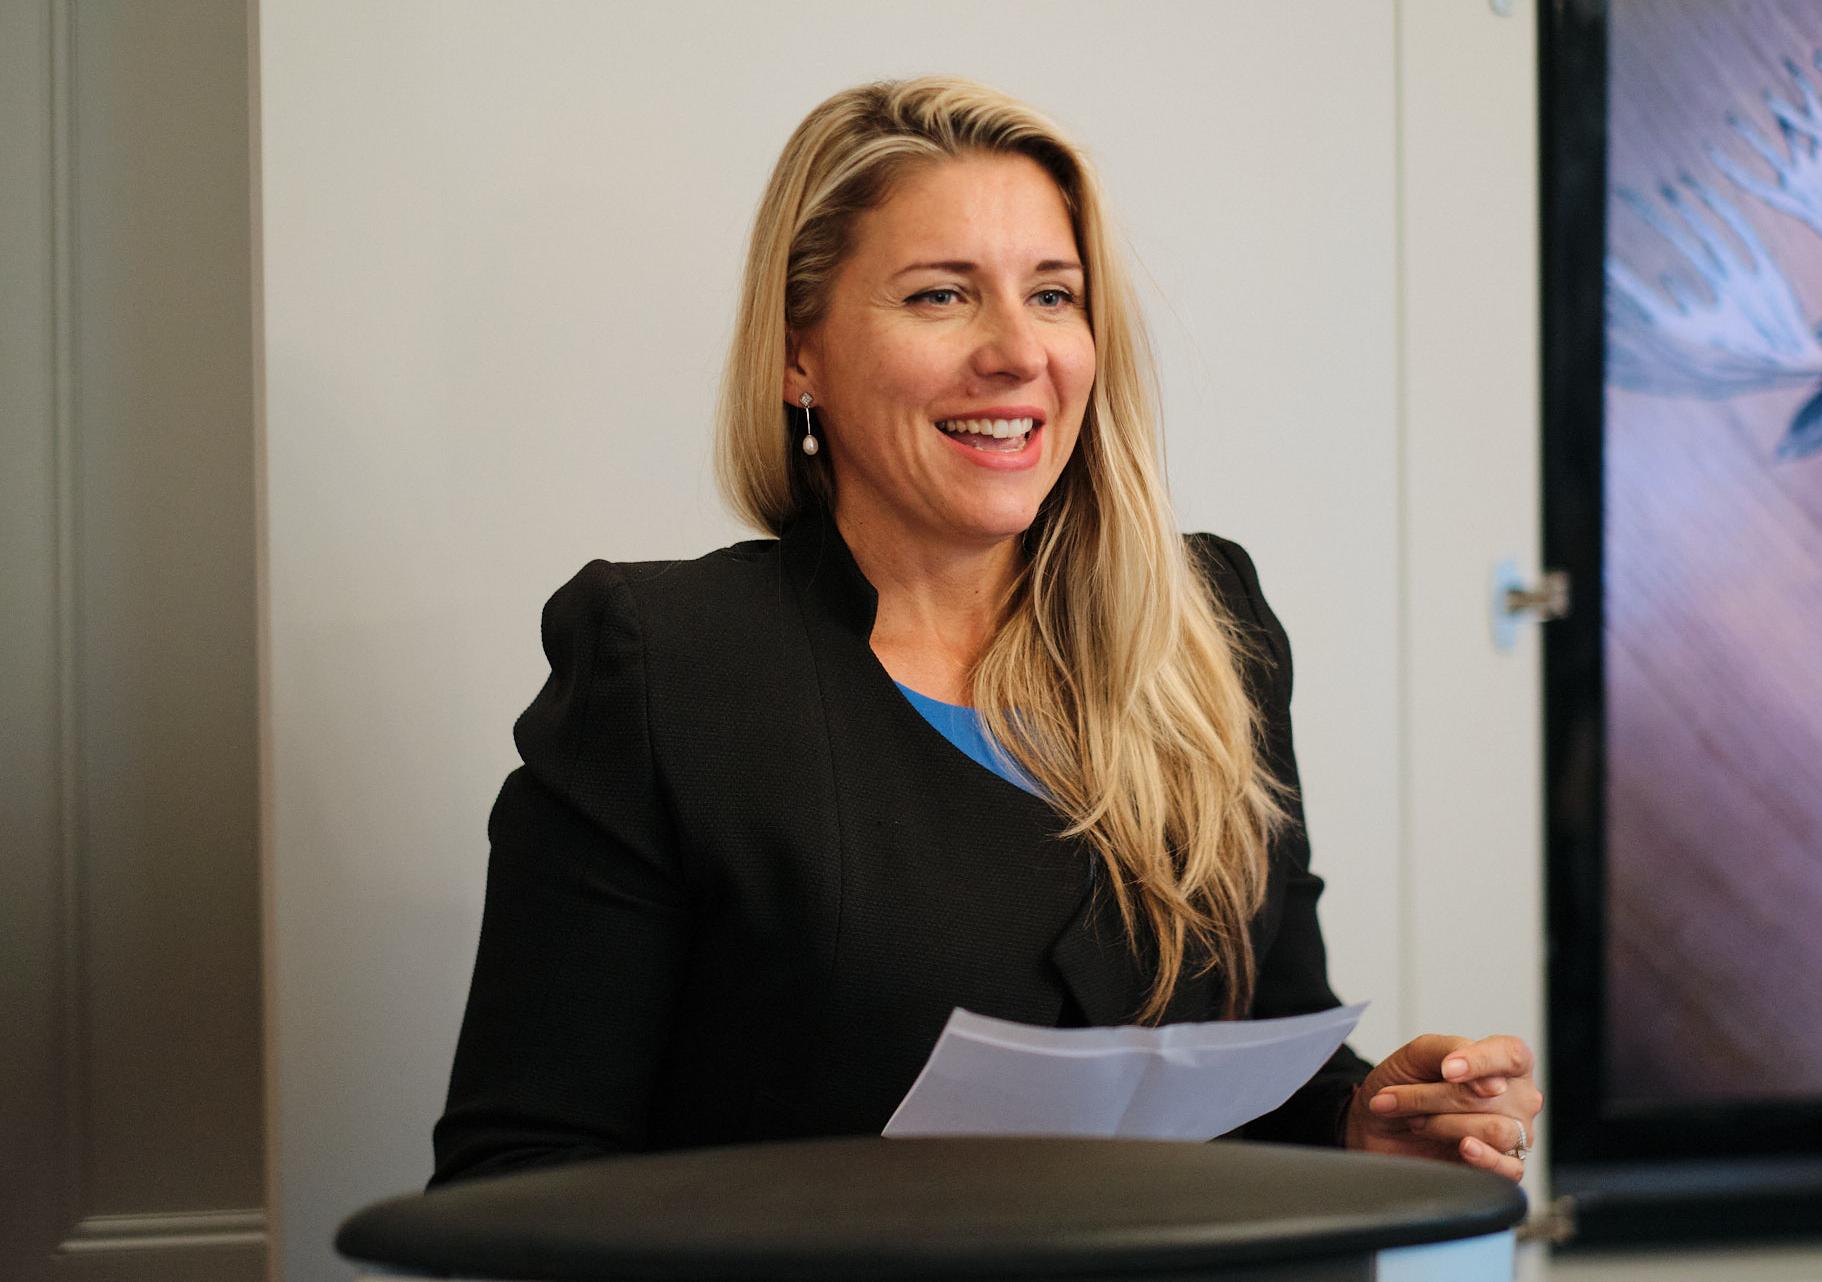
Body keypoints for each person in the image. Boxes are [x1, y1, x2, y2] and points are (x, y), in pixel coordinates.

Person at [430, 77, 1541, 1187]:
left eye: (1053, 295)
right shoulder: (668, 666)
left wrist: (1363, 1119)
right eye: (939, 296)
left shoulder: (1208, 629)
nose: (1018, 351)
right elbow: (515, 1177)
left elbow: (1263, 1051)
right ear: (798, 355)